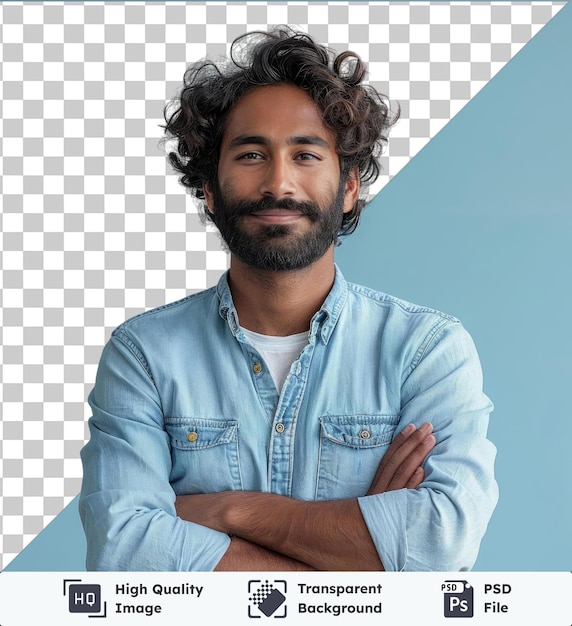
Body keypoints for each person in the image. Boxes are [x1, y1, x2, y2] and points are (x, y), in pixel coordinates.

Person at [79, 27, 498, 571]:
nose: (278, 182)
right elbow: (126, 554)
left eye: (305, 155)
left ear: (348, 186)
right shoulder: (144, 355)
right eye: (252, 154)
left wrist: (230, 511)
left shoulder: (426, 350)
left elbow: (440, 545)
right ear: (209, 187)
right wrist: (359, 553)